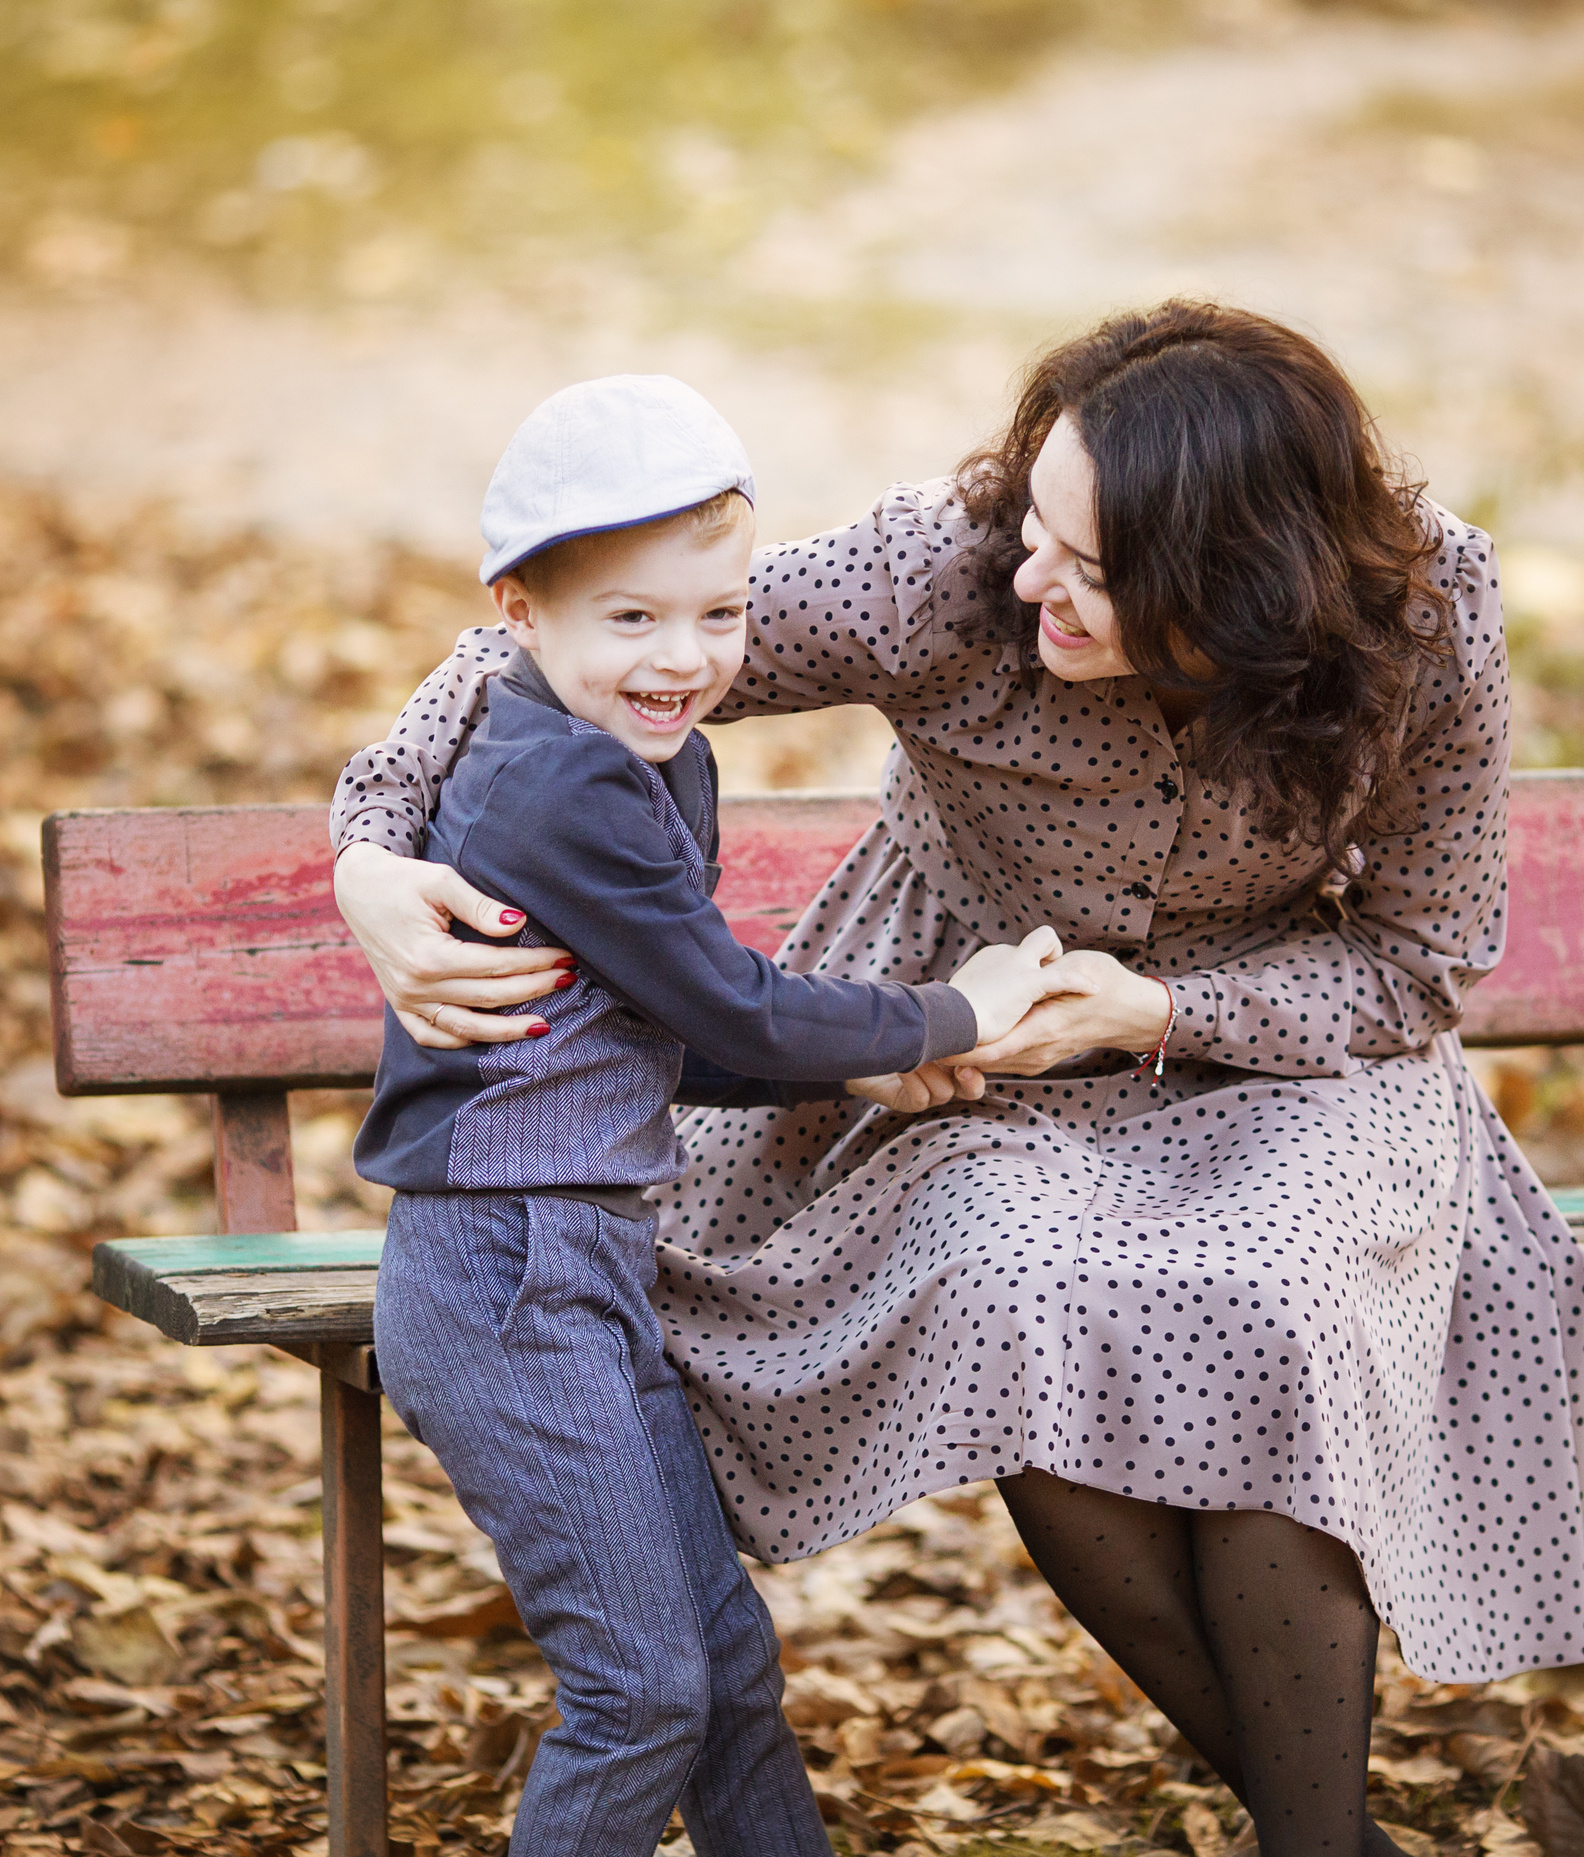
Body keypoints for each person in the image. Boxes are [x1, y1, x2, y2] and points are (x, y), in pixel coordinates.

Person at [334, 305, 1584, 1857]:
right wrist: (370, 858)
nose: (1028, 577)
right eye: (1037, 523)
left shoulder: (1428, 612)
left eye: (1091, 564)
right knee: (1006, 1284)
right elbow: (535, 640)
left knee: (1284, 1299)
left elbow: (1418, 959)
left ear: (1239, 592)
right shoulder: (945, 571)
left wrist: (1161, 1005)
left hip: (1292, 1058)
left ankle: (1315, 1842)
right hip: (982, 1044)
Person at [355, 374, 1073, 1857]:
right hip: (504, 1277)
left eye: (719, 613)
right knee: (642, 1691)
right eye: (633, 618)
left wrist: (862, 1065)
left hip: (587, 1262)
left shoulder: (641, 754)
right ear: (519, 609)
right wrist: (962, 1012)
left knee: (725, 1667)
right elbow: (736, 1005)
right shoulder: (553, 786)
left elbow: (666, 1034)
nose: (686, 657)